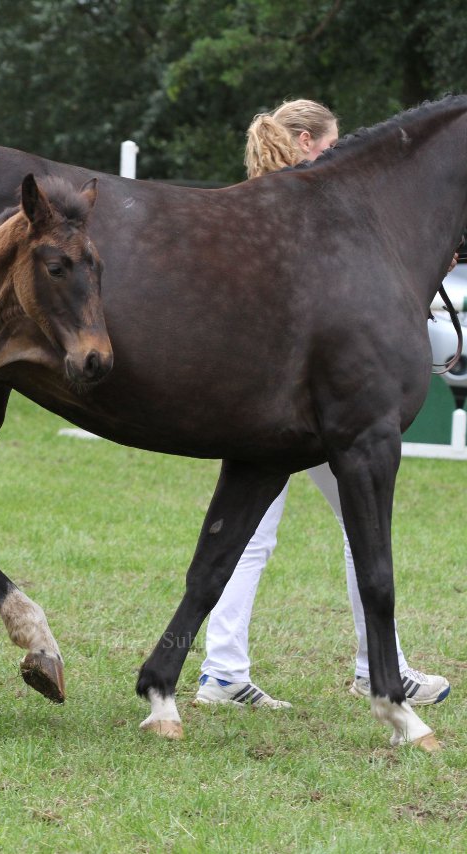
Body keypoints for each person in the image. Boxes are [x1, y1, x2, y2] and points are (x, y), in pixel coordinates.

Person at [195, 99, 452, 709]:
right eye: (332, 148)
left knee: (261, 531)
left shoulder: (253, 205)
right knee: (353, 520)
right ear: (309, 142)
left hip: (264, 397)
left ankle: (224, 669)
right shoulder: (310, 213)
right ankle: (372, 667)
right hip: (309, 404)